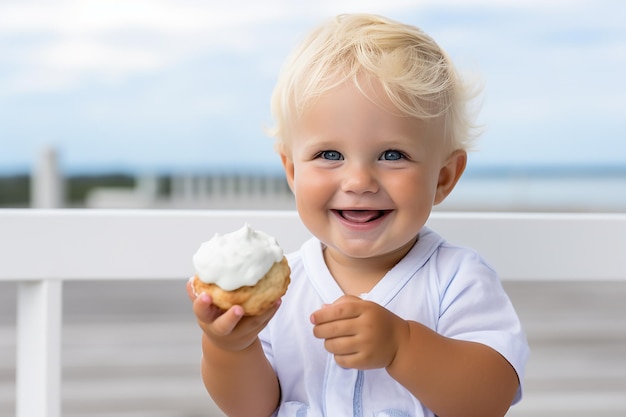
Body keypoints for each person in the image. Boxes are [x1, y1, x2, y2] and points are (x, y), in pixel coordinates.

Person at [187, 13, 529, 417]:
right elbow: (253, 408)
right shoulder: (282, 291)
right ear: (292, 171)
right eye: (329, 155)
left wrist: (403, 345)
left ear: (443, 177)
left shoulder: (457, 278)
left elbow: (488, 400)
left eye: (392, 155)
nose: (359, 180)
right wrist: (229, 347)